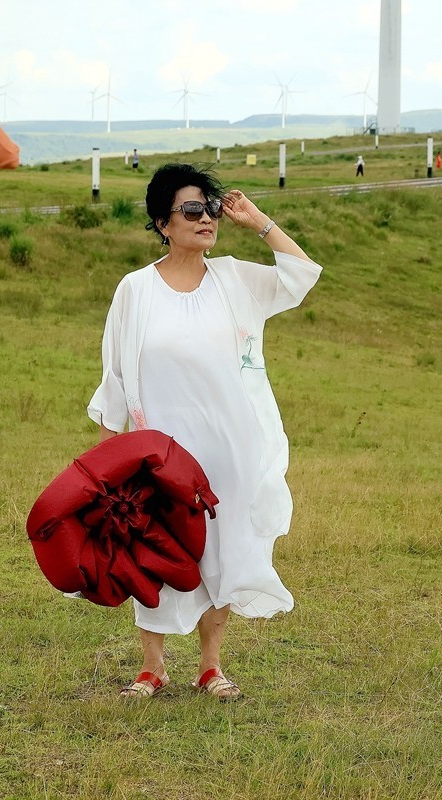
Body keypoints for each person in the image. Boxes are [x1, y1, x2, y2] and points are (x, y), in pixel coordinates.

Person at [88, 163, 323, 701]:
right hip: (159, 453)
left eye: (210, 208)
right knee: (153, 549)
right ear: (162, 223)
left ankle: (211, 667)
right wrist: (109, 460)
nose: (206, 218)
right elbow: (116, 375)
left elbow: (300, 275)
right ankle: (152, 667)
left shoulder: (235, 279)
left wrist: (257, 220)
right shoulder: (135, 290)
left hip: (228, 448)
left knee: (221, 550)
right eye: (192, 209)